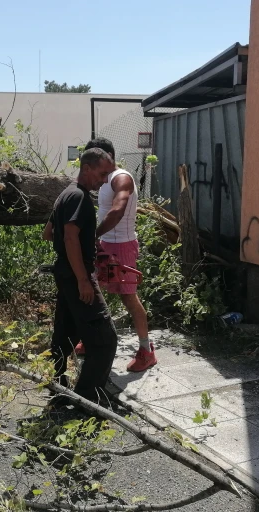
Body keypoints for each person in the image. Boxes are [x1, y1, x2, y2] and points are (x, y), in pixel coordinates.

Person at [41, 147, 118, 406]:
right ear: (87, 168)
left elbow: (49, 233)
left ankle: (58, 384)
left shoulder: (65, 194)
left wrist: (81, 247)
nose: (105, 179)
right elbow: (70, 236)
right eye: (102, 173)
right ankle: (89, 398)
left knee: (67, 331)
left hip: (64, 272)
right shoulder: (79, 197)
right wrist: (83, 279)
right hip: (76, 276)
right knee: (104, 339)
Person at [76, 137, 158, 373]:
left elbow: (117, 211)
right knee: (92, 292)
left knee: (128, 298)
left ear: (106, 156)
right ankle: (90, 339)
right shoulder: (103, 180)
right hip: (105, 244)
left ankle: (146, 351)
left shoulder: (121, 177)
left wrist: (94, 235)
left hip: (121, 247)